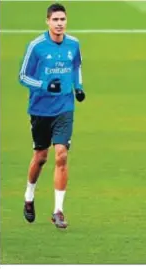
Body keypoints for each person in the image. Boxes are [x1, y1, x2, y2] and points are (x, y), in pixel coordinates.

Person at [19, 3, 85, 229]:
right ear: (47, 21)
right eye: (55, 20)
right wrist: (45, 85)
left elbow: (76, 67)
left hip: (64, 108)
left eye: (62, 20)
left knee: (61, 155)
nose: (59, 24)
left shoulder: (73, 44)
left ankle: (58, 211)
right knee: (40, 157)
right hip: (40, 110)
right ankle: (29, 196)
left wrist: (78, 87)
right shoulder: (36, 46)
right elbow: (23, 77)